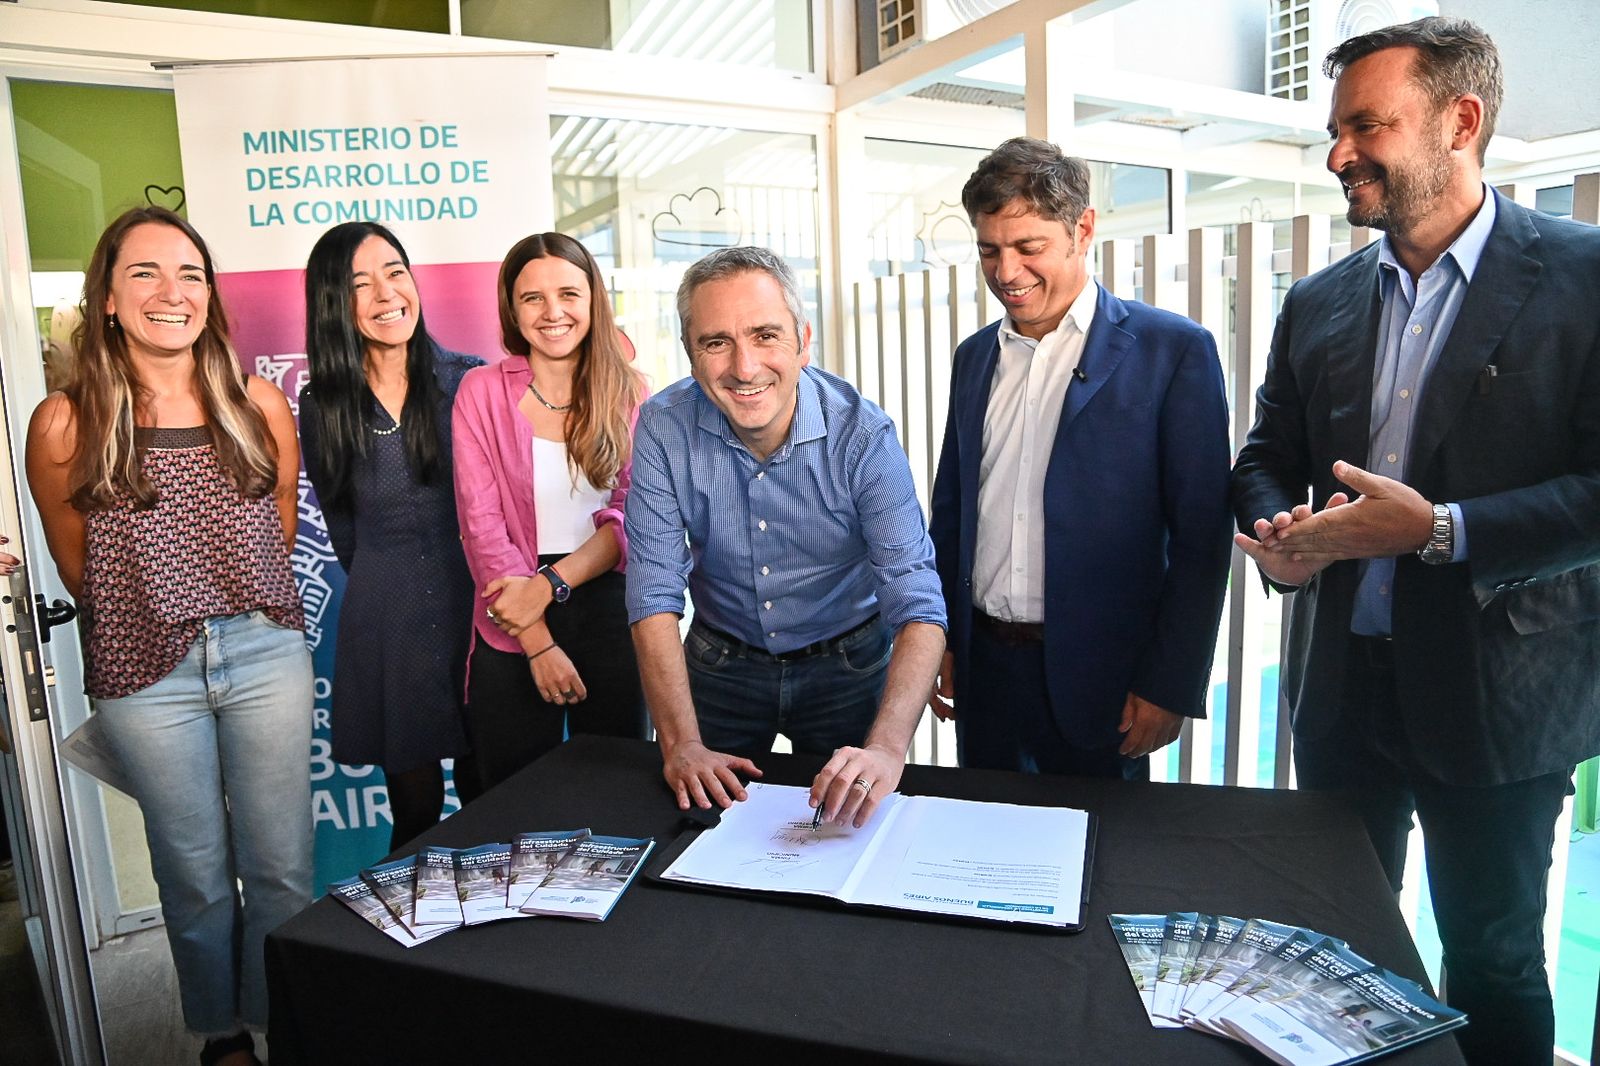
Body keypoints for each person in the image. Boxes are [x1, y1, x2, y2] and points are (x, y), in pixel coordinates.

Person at [1230, 18, 1600, 1066]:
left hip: (1501, 697)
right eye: (1335, 130)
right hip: (1346, 688)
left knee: (1491, 958)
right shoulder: (1317, 300)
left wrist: (1441, 531)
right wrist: (1276, 529)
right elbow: (1265, 453)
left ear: (1461, 121)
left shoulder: (1583, 276)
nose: (1340, 153)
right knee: (1337, 949)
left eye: (1365, 125)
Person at [25, 206, 310, 1066]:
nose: (170, 291)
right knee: (191, 876)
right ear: (107, 298)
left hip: (263, 654)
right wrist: (161, 600)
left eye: (189, 273)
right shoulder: (65, 423)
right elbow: (81, 571)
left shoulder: (256, 403)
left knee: (283, 870)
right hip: (146, 676)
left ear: (209, 296)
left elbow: (281, 530)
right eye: (144, 272)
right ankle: (222, 1036)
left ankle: (284, 1019)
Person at [928, 137, 1231, 780]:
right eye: (989, 250)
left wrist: (1170, 685)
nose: (1005, 272)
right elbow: (952, 510)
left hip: (1108, 683)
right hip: (984, 673)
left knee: (1103, 870)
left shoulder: (1174, 351)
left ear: (1082, 229)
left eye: (1028, 247)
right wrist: (943, 637)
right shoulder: (972, 357)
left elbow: (1203, 538)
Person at [625, 245, 947, 829]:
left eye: (765, 335)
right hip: (719, 664)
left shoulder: (864, 434)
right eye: (715, 342)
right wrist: (679, 744)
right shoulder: (663, 425)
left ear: (803, 339)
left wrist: (887, 748)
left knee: (849, 836)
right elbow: (652, 590)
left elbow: (917, 598)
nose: (744, 368)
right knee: (692, 837)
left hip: (849, 666)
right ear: (690, 353)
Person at [299, 221, 484, 850]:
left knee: (491, 802)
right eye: (360, 284)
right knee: (416, 818)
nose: (386, 294)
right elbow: (341, 525)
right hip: (388, 621)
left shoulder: (468, 380)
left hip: (481, 613)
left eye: (395, 272)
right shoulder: (322, 404)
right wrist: (395, 579)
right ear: (334, 303)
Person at [452, 232, 647, 793]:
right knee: (510, 800)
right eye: (532, 298)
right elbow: (480, 526)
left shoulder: (631, 393)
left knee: (618, 797)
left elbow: (634, 517)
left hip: (610, 607)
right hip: (508, 610)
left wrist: (551, 583)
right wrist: (536, 640)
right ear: (512, 310)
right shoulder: (481, 391)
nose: (553, 311)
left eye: (568, 293)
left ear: (593, 299)